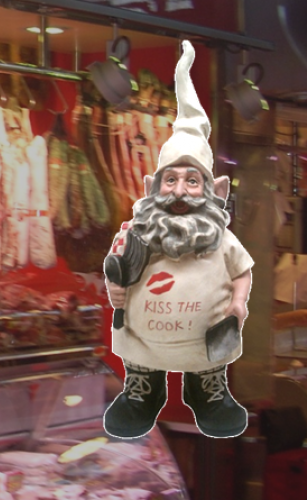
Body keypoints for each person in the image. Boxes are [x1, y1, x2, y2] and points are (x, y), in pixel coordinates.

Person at [103, 40, 254, 440]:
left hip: (207, 342)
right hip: (143, 340)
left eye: (192, 180)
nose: (181, 190)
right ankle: (143, 389)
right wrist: (115, 287)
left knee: (210, 358)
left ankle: (207, 388)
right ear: (152, 187)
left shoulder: (222, 239)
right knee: (138, 354)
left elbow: (242, 270)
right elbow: (117, 266)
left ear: (215, 190)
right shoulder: (138, 231)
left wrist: (239, 302)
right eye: (171, 179)